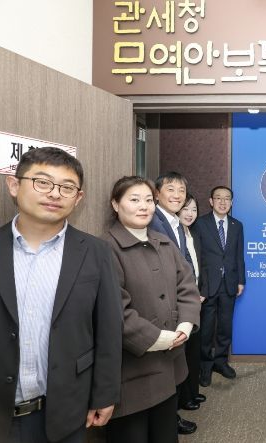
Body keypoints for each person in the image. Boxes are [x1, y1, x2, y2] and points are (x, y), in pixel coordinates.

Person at [0, 147, 122, 443]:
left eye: (67, 187)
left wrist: (105, 394)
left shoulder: (95, 251)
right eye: (43, 182)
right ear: (14, 185)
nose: (55, 194)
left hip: (66, 410)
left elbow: (109, 329)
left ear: (78, 198)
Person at [103, 176, 201, 443]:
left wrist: (185, 326)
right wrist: (159, 338)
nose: (143, 206)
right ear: (116, 204)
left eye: (148, 200)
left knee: (165, 434)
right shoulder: (106, 249)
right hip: (132, 372)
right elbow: (115, 310)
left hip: (170, 365)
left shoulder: (164, 242)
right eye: (134, 199)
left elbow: (187, 286)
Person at [147, 171, 198, 434]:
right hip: (162, 304)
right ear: (157, 194)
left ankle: (171, 415)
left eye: (181, 191)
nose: (177, 196)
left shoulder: (174, 222)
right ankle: (168, 420)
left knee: (174, 363)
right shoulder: (153, 221)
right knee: (164, 366)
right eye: (171, 189)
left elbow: (183, 265)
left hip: (179, 303)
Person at [195, 185, 245, 387]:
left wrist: (241, 280)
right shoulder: (200, 224)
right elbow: (197, 256)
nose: (223, 202)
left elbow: (239, 255)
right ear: (211, 201)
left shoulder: (237, 225)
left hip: (229, 283)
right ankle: (205, 366)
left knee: (225, 326)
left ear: (231, 202)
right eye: (218, 198)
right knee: (206, 328)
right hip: (208, 285)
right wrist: (199, 285)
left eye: (227, 198)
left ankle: (221, 362)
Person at [177, 194, 207, 411]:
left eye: (194, 210)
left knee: (193, 350)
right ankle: (183, 399)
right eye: (185, 209)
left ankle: (191, 392)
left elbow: (200, 266)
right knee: (181, 353)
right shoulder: (174, 234)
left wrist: (201, 292)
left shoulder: (193, 233)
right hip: (182, 301)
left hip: (196, 298)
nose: (190, 214)